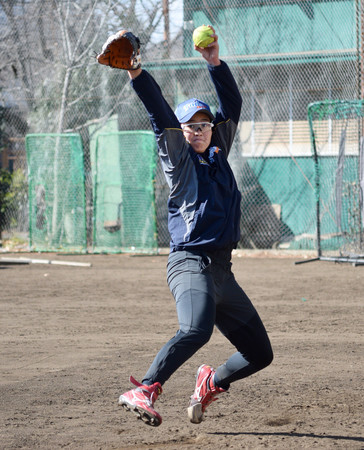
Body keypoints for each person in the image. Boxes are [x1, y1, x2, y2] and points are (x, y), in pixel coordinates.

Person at [117, 26, 273, 427]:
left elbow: (233, 104)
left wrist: (215, 63)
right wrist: (136, 71)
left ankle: (211, 382)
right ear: (182, 132)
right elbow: (159, 113)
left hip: (222, 271)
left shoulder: (217, 150)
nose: (200, 130)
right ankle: (146, 388)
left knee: (260, 353)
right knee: (197, 329)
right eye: (192, 125)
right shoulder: (178, 158)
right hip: (189, 263)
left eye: (204, 124)